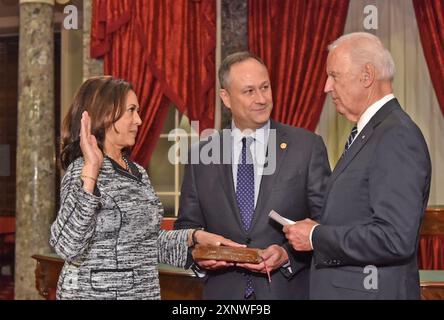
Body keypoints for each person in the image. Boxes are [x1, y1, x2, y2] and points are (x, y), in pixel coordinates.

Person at [49, 76, 241, 300]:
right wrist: (91, 168)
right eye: (131, 110)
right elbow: (67, 246)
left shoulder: (136, 171)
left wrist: (193, 238)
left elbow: (145, 243)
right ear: (106, 112)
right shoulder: (82, 170)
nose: (139, 120)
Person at [283, 32, 432, 299]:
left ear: (367, 76)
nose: (326, 87)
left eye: (334, 76)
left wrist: (316, 236)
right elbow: (358, 215)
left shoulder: (396, 135)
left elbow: (394, 237)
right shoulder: (373, 132)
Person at [174, 52, 331, 299]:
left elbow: (326, 222)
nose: (261, 99)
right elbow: (186, 227)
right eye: (249, 91)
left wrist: (287, 254)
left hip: (287, 290)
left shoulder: (307, 147)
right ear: (225, 98)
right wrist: (198, 254)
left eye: (265, 87)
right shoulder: (201, 156)